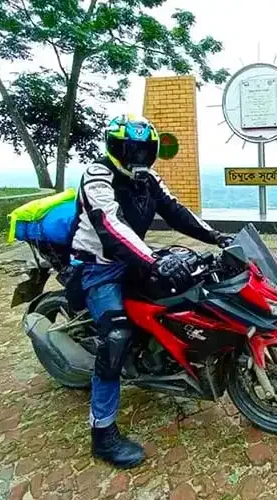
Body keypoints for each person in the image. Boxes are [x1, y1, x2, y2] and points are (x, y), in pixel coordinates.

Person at [70, 114, 233, 468]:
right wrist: (153, 260)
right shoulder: (98, 176)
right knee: (115, 334)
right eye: (131, 150)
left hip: (134, 257)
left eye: (145, 151)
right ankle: (102, 433)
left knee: (191, 287)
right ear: (114, 148)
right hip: (98, 265)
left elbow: (176, 211)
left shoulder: (148, 179)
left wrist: (216, 236)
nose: (138, 157)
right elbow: (112, 227)